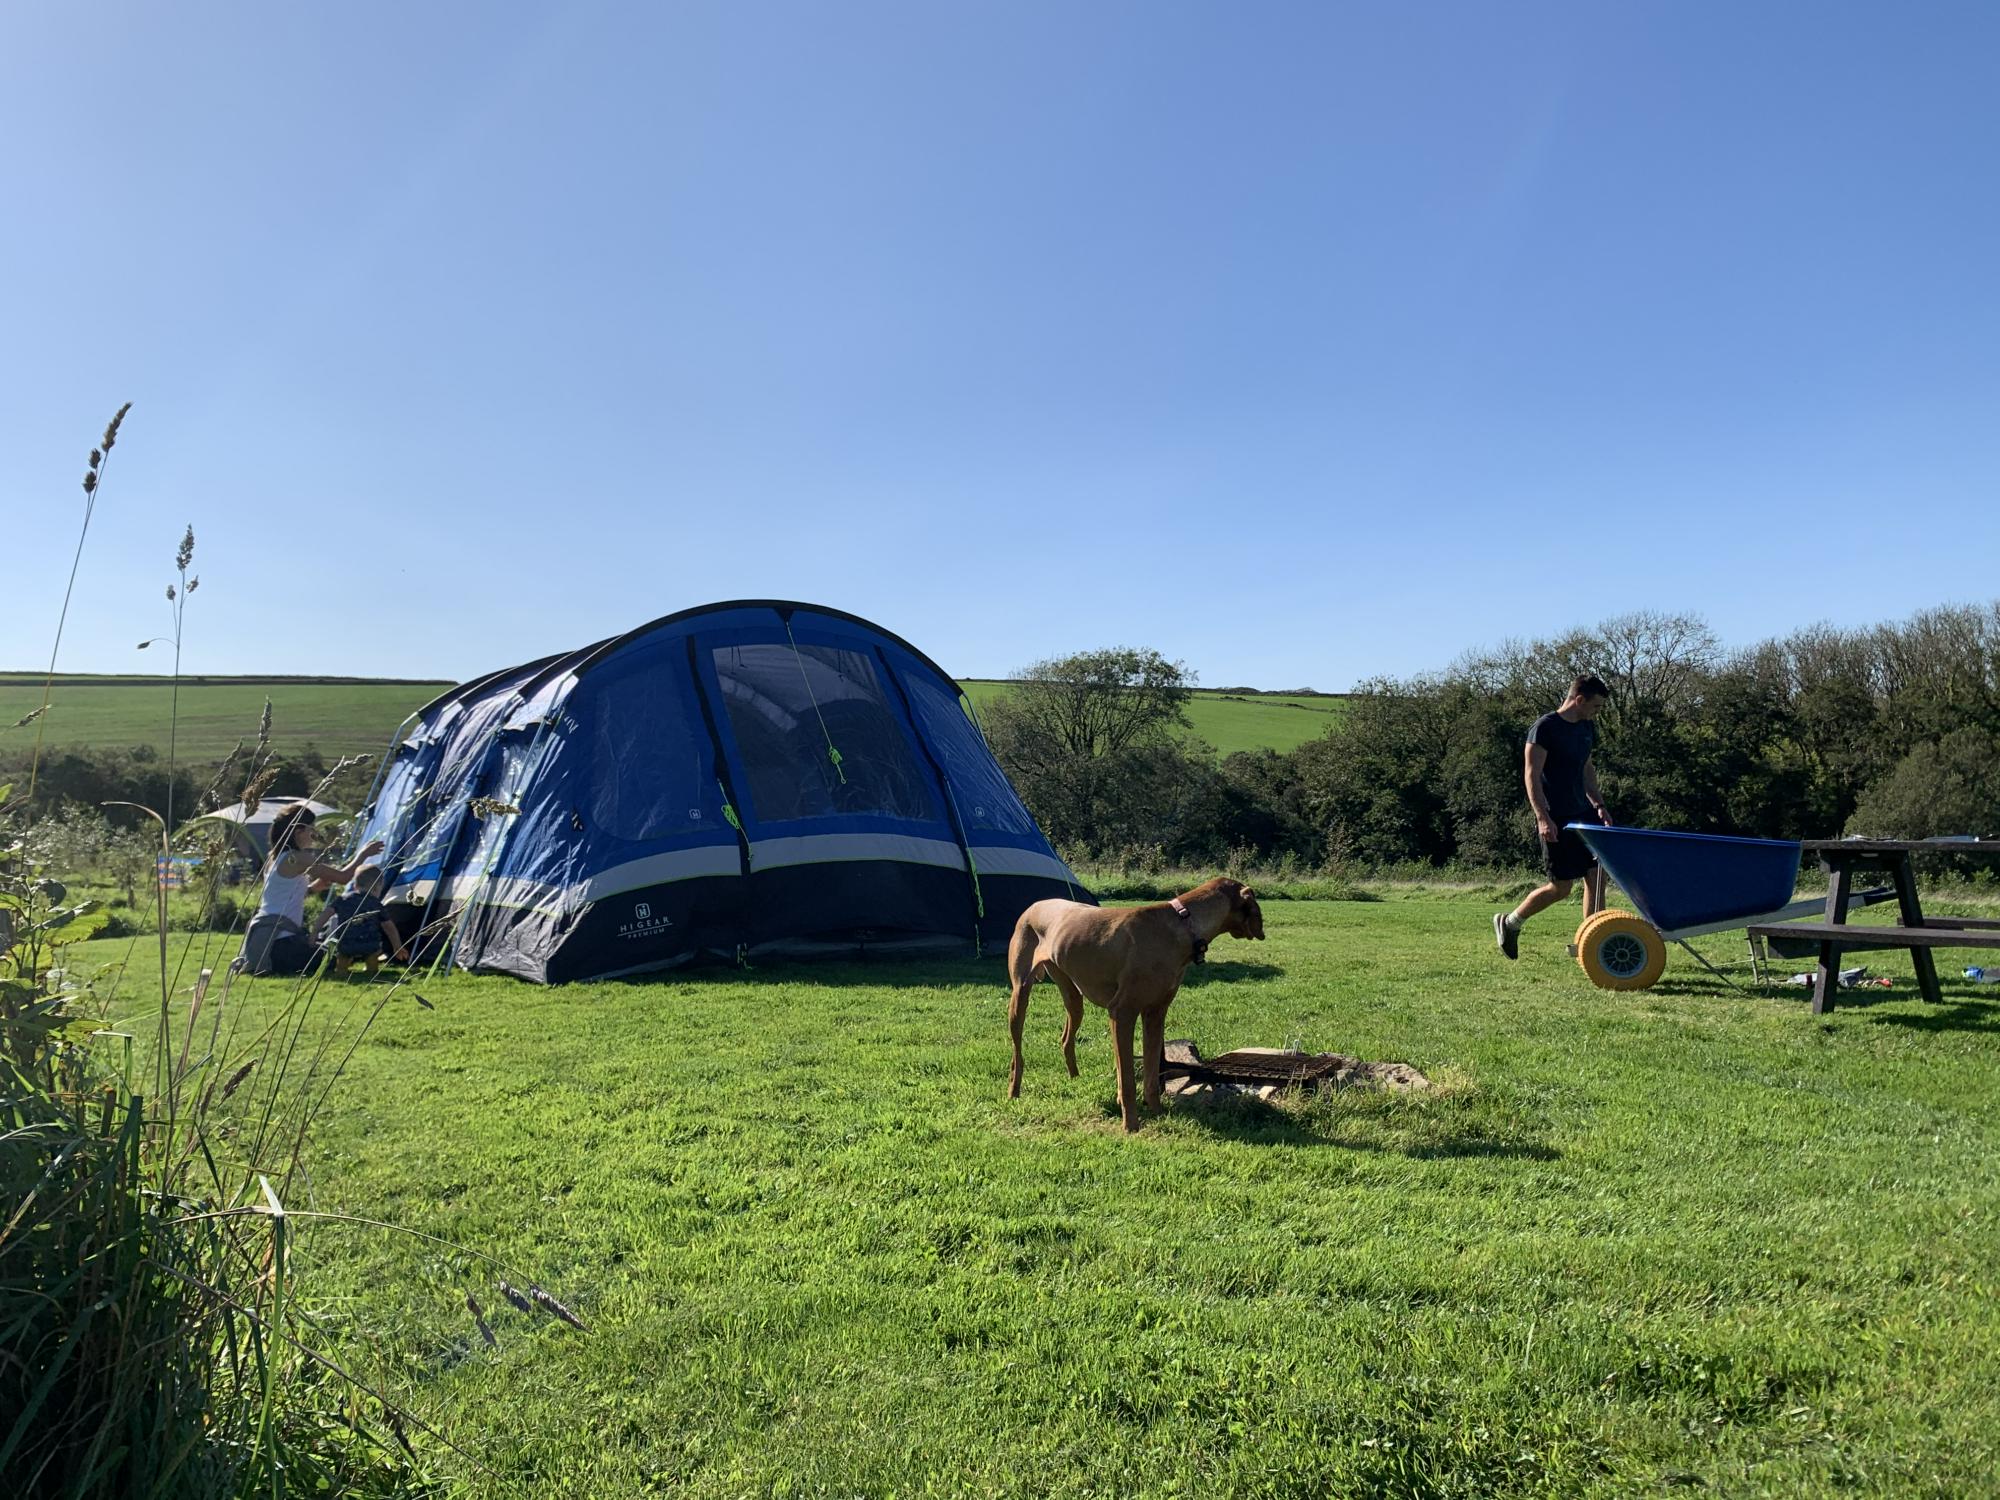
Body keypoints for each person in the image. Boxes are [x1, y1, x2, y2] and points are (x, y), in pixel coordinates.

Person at [1494, 674, 1613, 959]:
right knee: (1560, 887)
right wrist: (1542, 817)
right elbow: (1531, 775)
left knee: (1597, 876)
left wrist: (1599, 804)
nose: (1597, 713)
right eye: (1595, 707)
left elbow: (1587, 769)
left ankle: (1590, 944)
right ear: (1579, 699)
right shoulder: (1545, 728)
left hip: (1583, 813)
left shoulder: (1586, 728)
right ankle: (1510, 923)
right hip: (1556, 816)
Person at [234, 806, 383, 977]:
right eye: (312, 829)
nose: (314, 834)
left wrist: (313, 888)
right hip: (283, 943)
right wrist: (363, 854)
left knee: (327, 950)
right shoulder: (298, 857)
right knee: (339, 953)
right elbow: (343, 877)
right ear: (299, 831)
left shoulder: (274, 856)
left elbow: (282, 894)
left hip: (268, 939)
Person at [317, 864, 409, 976]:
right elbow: (389, 927)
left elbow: (325, 915)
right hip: (369, 944)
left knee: (343, 955)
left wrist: (314, 933)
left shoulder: (343, 900)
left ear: (355, 885)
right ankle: (371, 968)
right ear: (377, 886)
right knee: (373, 953)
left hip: (346, 943)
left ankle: (341, 969)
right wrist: (397, 946)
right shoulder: (375, 904)